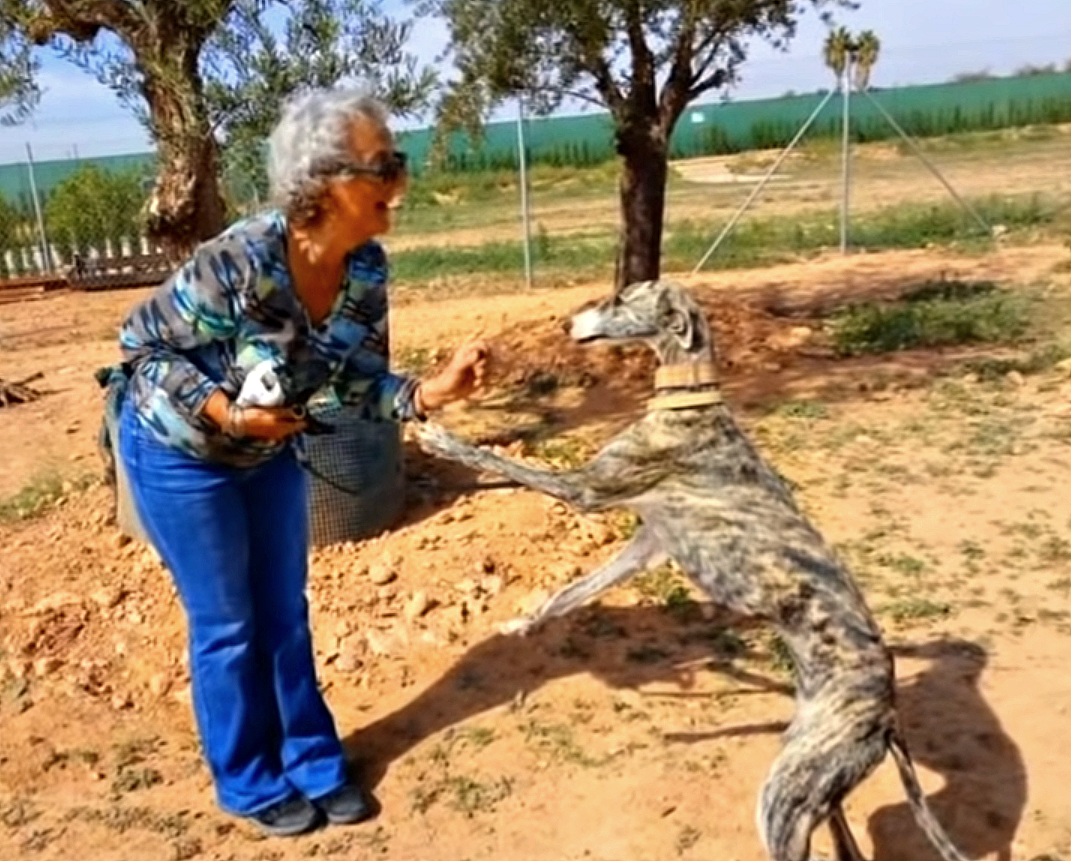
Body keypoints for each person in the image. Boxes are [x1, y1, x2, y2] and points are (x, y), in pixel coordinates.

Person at [114, 87, 489, 837]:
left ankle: (314, 763)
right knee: (228, 624)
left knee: (285, 613)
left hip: (269, 453)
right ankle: (248, 779)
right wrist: (226, 411)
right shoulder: (241, 261)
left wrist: (429, 391)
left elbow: (354, 382)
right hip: (181, 453)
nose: (400, 181)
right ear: (323, 181)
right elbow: (140, 348)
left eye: (398, 160)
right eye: (384, 164)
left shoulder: (366, 271)